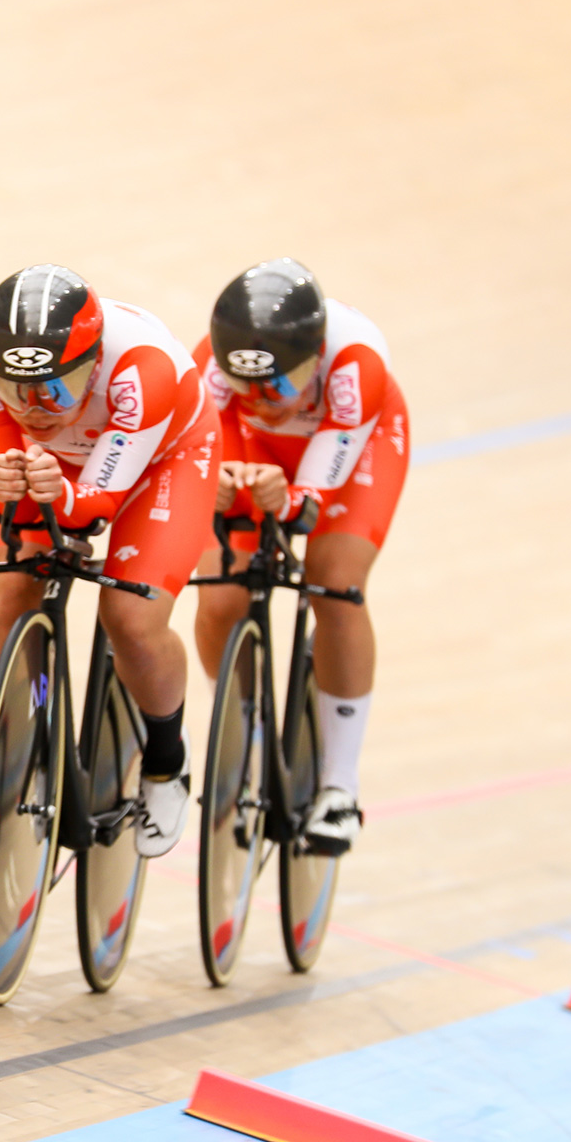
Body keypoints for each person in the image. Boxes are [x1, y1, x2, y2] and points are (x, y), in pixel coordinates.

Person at [0, 265, 219, 857]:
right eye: (15, 389)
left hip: (162, 463)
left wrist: (51, 492)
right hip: (59, 462)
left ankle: (166, 762)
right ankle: (2, 767)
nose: (34, 406)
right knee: (10, 593)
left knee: (131, 618)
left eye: (55, 388)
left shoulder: (144, 371)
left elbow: (94, 507)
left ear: (95, 363)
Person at [192, 259, 410, 854]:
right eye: (246, 388)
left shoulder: (356, 364)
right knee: (219, 595)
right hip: (250, 451)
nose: (263, 401)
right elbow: (196, 452)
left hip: (350, 448)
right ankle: (245, 740)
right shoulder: (209, 369)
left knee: (334, 586)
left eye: (280, 385)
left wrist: (290, 500)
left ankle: (339, 786)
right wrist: (216, 483)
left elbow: (313, 499)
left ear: (316, 359)